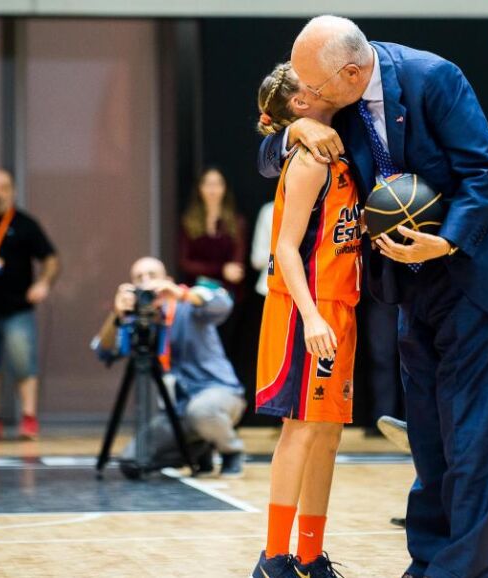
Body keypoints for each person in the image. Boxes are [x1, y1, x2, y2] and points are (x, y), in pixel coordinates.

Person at [257, 17, 488, 578]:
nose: (309, 97)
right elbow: (268, 152)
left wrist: (445, 242)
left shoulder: (432, 78)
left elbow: (483, 174)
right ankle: (427, 561)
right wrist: (296, 130)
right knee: (427, 432)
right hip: (410, 275)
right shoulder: (336, 99)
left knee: (473, 435)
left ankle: (460, 570)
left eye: (314, 89)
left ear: (350, 74)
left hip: (475, 264)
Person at [251, 62, 360, 578]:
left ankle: (311, 558)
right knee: (299, 431)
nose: (322, 81)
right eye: (312, 82)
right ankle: (273, 559)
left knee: (328, 435)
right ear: (300, 104)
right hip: (305, 308)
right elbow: (286, 248)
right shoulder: (310, 159)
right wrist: (313, 317)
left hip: (340, 303)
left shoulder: (336, 146)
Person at [91, 257, 246, 478]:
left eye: (152, 276)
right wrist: (116, 314)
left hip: (218, 393)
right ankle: (198, 448)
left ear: (167, 280)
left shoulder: (187, 306)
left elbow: (223, 302)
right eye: (139, 278)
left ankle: (232, 452)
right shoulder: (135, 321)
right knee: (131, 461)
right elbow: (102, 351)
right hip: (178, 410)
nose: (146, 282)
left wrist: (181, 293)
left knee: (202, 411)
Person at [0, 168, 59, 441]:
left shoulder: (26, 224)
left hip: (17, 310)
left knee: (23, 364)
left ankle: (29, 418)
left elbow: (51, 258)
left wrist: (43, 283)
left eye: (3, 188)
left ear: (13, 192)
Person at [179, 167, 247, 296]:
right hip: (196, 291)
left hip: (227, 291)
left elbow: (236, 266)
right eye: (208, 184)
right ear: (200, 188)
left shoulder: (236, 222)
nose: (212, 189)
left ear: (225, 188)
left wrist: (231, 271)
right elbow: (185, 263)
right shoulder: (189, 221)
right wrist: (221, 269)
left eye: (217, 184)